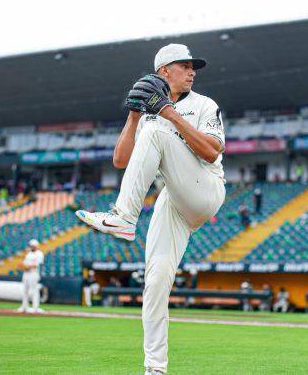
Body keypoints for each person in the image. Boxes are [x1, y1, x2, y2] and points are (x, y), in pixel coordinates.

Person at [74, 44, 225, 374]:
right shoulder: (150, 117)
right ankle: (155, 369)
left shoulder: (203, 104)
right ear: (164, 72)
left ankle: (125, 218)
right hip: (171, 200)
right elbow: (120, 161)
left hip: (205, 190)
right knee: (155, 281)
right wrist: (134, 114)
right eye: (184, 65)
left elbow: (212, 153)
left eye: (192, 66)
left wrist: (168, 114)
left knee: (158, 127)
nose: (192, 71)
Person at [17, 239, 44, 314]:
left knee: (34, 290)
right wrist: (23, 266)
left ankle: (35, 307)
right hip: (26, 273)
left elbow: (37, 264)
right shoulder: (29, 254)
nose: (31, 247)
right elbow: (24, 263)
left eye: (32, 246)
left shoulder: (39, 253)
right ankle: (24, 307)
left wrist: (27, 266)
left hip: (33, 273)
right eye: (31, 245)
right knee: (25, 290)